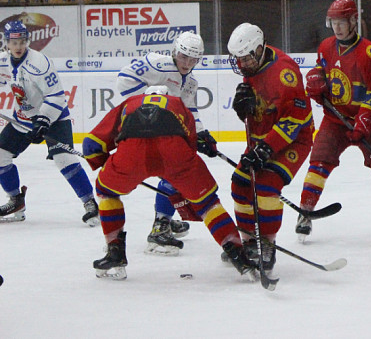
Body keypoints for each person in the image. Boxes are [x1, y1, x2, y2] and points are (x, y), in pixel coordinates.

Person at [83, 86, 255, 280]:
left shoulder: (129, 103)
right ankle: (239, 254)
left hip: (132, 153)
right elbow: (189, 145)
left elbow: (91, 145)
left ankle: (114, 251)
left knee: (106, 191)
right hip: (175, 152)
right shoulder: (178, 103)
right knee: (207, 203)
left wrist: (105, 163)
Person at [297, 0, 371, 242]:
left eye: (342, 22)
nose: (337, 28)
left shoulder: (370, 53)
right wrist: (315, 78)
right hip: (334, 120)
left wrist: (364, 122)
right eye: (333, 23)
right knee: (318, 164)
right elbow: (322, 68)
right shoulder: (326, 46)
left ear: (353, 22)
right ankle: (305, 213)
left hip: (365, 121)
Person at [116, 31, 218, 255]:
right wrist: (147, 102)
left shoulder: (190, 81)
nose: (187, 63)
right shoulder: (157, 63)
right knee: (174, 172)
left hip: (166, 131)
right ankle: (160, 226)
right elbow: (123, 78)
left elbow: (190, 110)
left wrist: (201, 134)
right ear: (174, 51)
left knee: (174, 173)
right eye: (184, 57)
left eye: (193, 60)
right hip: (144, 128)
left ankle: (165, 218)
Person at [227, 22, 314, 275]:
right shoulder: (252, 64)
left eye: (244, 59)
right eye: (238, 60)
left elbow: (294, 120)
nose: (241, 64)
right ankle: (249, 241)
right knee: (240, 183)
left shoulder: (284, 72)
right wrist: (242, 109)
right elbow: (260, 109)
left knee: (266, 186)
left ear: (257, 49)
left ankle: (267, 243)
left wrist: (266, 148)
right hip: (262, 140)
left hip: (293, 139)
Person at [0, 21, 99, 225]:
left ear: (27, 41)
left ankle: (90, 202)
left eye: (21, 41)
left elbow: (56, 96)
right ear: (7, 43)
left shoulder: (40, 63)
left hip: (54, 118)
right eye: (13, 42)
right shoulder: (4, 61)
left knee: (65, 160)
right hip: (23, 119)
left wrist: (43, 121)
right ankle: (16, 200)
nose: (18, 46)